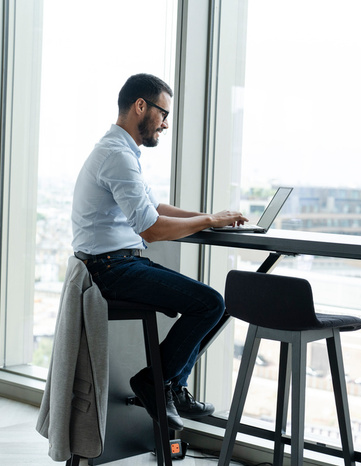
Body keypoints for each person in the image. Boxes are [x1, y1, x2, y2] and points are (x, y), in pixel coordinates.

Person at [71, 73, 247, 431]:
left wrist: (210, 219)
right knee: (211, 303)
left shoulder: (119, 152)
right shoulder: (116, 156)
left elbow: (155, 207)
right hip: (110, 271)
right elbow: (150, 227)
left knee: (218, 306)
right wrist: (209, 219)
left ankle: (169, 384)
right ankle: (158, 383)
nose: (165, 124)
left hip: (120, 264)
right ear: (140, 106)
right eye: (163, 114)